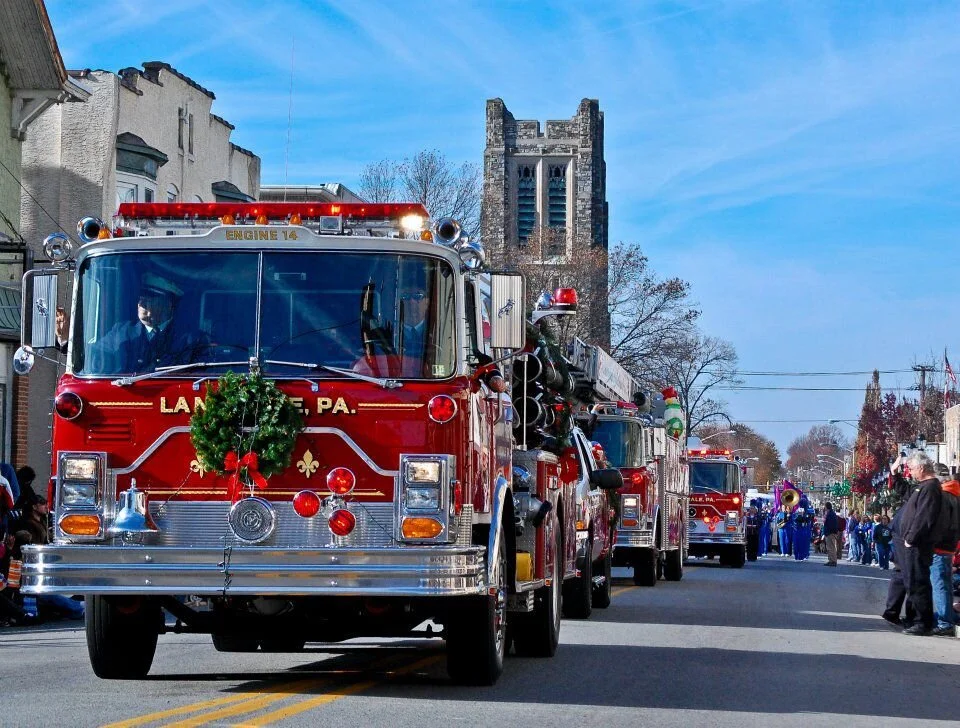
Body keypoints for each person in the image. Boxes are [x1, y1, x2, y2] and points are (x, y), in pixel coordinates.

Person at [87, 273, 204, 374]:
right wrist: (68, 338)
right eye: (141, 297)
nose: (141, 302)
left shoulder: (190, 339)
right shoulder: (122, 331)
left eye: (151, 297)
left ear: (168, 304)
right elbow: (91, 354)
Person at [883, 451, 942, 636]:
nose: (911, 472)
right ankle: (895, 613)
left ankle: (920, 622)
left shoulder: (931, 488)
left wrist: (911, 538)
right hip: (904, 542)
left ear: (922, 468)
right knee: (902, 577)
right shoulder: (921, 487)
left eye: (912, 468)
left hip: (915, 544)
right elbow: (905, 491)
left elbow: (924, 517)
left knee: (917, 581)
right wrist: (895, 474)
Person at [930, 466, 960, 636]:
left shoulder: (944, 496)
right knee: (945, 585)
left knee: (940, 584)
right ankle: (946, 618)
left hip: (940, 545)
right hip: (950, 546)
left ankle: (944, 622)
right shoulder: (955, 494)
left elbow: (940, 522)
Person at [822, 501, 841, 566]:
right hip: (829, 532)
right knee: (829, 547)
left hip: (830, 533)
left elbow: (831, 524)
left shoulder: (831, 514)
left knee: (831, 547)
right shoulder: (830, 513)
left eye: (825, 506)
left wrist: (829, 532)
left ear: (827, 507)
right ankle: (830, 560)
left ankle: (833, 561)